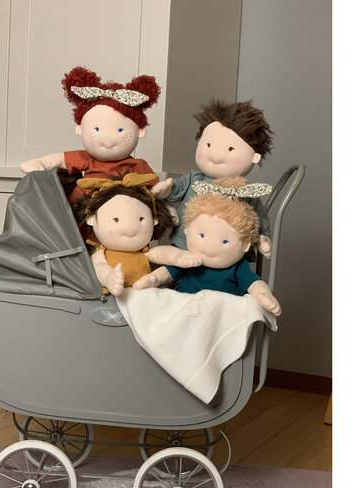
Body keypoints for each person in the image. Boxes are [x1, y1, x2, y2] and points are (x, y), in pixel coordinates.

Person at [134, 178, 281, 315]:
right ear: (187, 229)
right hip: (186, 311)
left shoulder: (238, 267)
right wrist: (152, 279)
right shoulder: (187, 259)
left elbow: (254, 283)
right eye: (202, 235)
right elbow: (167, 273)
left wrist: (263, 295)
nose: (210, 247)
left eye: (225, 241)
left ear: (246, 245)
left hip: (222, 315)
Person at [152, 98, 274, 259]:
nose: (215, 155)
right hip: (187, 246)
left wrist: (263, 237)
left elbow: (259, 216)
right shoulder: (194, 178)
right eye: (208, 145)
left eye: (230, 149)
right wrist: (167, 190)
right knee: (175, 265)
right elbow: (177, 188)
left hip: (227, 255)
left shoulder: (245, 192)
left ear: (255, 157)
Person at [20, 66, 161, 205]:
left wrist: (162, 198)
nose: (107, 140)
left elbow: (155, 190)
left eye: (120, 130)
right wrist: (40, 163)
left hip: (123, 209)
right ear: (80, 129)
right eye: (97, 129)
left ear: (140, 131)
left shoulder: (138, 165)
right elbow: (60, 160)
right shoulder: (86, 159)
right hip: (84, 206)